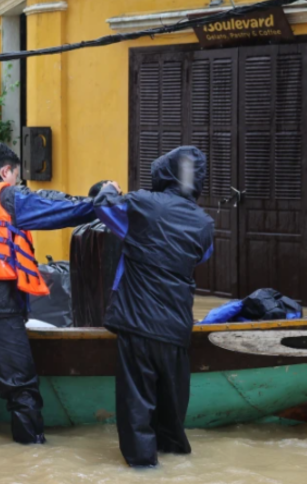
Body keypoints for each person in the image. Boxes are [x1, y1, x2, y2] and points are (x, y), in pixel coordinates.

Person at [0, 142, 103, 444]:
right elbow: (57, 210)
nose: (18, 184)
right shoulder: (4, 194)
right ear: (6, 172)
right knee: (21, 389)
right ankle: (31, 457)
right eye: (16, 177)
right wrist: (99, 204)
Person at [93, 146, 214, 468]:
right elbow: (202, 256)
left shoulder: (144, 204)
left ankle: (143, 469)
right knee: (172, 406)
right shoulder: (204, 223)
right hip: (176, 329)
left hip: (138, 325)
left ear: (163, 174)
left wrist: (109, 187)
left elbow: (103, 208)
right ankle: (176, 461)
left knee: (137, 403)